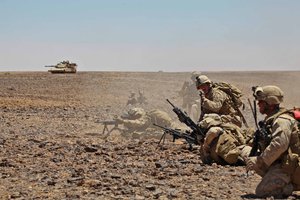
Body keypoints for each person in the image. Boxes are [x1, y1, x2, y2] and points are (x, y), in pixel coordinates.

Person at [241, 85, 300, 198]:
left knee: (262, 192)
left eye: (261, 102)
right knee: (246, 155)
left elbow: (279, 145)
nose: (258, 104)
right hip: (282, 162)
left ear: (270, 103)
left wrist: (260, 160)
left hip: (290, 166)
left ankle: (289, 186)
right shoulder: (271, 120)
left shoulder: (282, 121)